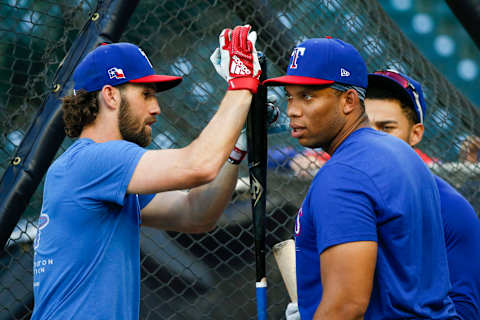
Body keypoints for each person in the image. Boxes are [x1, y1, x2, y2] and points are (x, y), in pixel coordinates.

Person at [31, 25, 262, 319]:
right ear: (110, 95)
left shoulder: (99, 173)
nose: (156, 108)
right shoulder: (95, 161)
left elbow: (196, 214)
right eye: (146, 93)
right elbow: (198, 165)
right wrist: (242, 85)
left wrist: (235, 149)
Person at [263, 37, 459, 319]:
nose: (293, 110)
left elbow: (346, 306)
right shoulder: (399, 153)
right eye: (290, 96)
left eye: (308, 96)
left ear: (349, 100)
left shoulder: (344, 175)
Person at [366, 69, 480, 319]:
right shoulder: (338, 194)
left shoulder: (449, 209)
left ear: (415, 134)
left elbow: (466, 311)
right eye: (364, 126)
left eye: (386, 128)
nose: (372, 138)